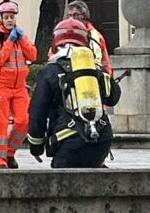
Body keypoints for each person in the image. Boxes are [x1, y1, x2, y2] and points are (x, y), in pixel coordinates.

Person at [27, 18, 121, 168]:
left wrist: (36, 147)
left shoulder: (50, 71)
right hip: (102, 138)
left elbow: (37, 113)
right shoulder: (95, 69)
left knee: (62, 187)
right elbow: (113, 98)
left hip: (68, 141)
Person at [0, 0, 37, 169]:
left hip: (19, 87)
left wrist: (21, 41)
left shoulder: (20, 36)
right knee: (1, 124)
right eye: (6, 17)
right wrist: (9, 42)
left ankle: (9, 153)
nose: (9, 20)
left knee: (24, 121)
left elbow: (33, 56)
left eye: (12, 17)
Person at [64, 0, 113, 74]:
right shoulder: (62, 34)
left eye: (75, 15)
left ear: (84, 16)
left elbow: (104, 62)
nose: (71, 19)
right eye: (69, 15)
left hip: (92, 76)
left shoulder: (95, 36)